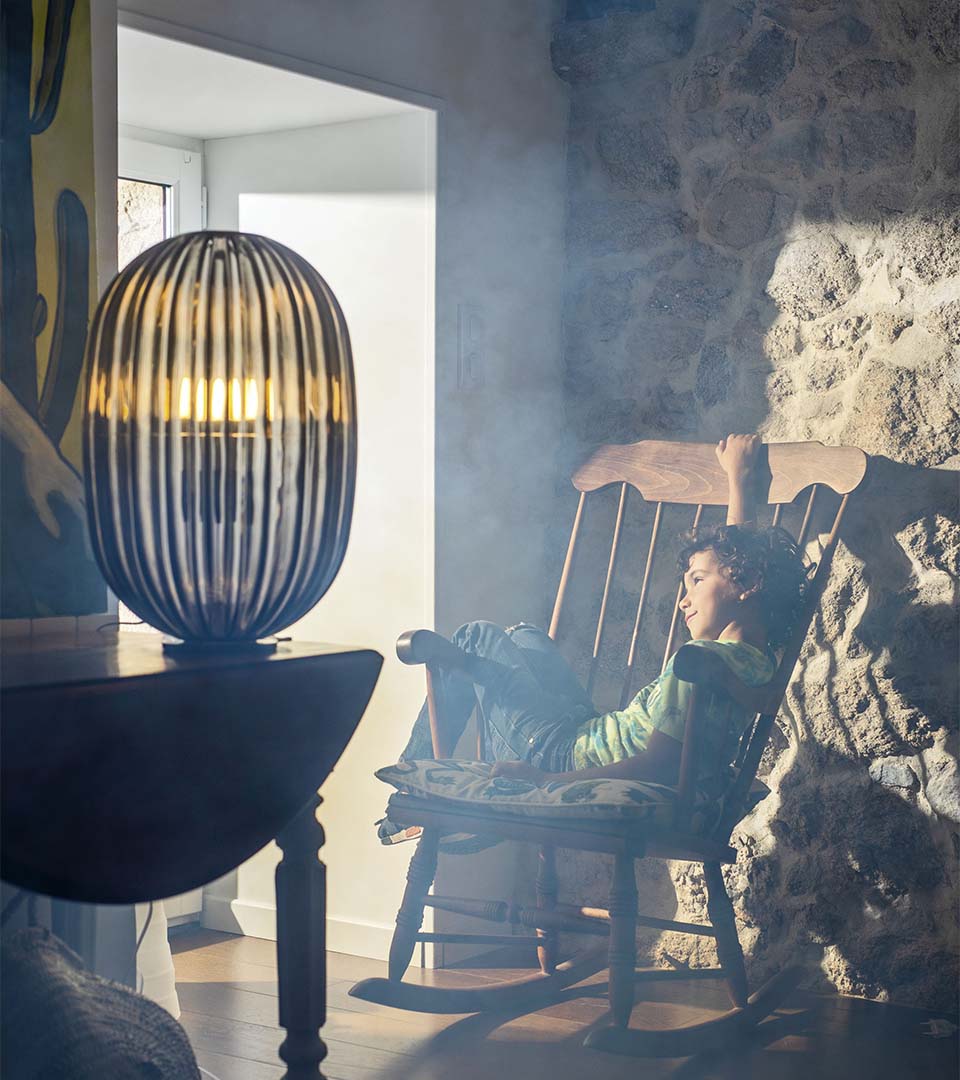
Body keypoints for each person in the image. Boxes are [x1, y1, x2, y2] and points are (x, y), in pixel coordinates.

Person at [382, 435, 810, 842]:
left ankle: (414, 795)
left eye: (696, 581)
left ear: (747, 583)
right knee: (524, 636)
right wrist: (740, 482)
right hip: (581, 730)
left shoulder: (700, 659)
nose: (684, 599)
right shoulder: (756, 660)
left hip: (558, 756)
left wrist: (546, 781)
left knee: (477, 638)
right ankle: (433, 786)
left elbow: (659, 763)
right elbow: (738, 567)